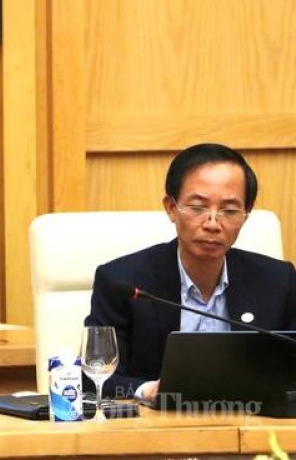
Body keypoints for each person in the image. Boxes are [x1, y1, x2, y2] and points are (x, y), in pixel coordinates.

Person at [85, 142, 296, 401]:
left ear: (246, 214)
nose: (212, 223)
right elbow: (93, 378)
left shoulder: (278, 282)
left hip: (251, 420)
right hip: (156, 423)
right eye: (197, 207)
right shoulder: (123, 283)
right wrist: (147, 390)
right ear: (171, 208)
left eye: (229, 210)